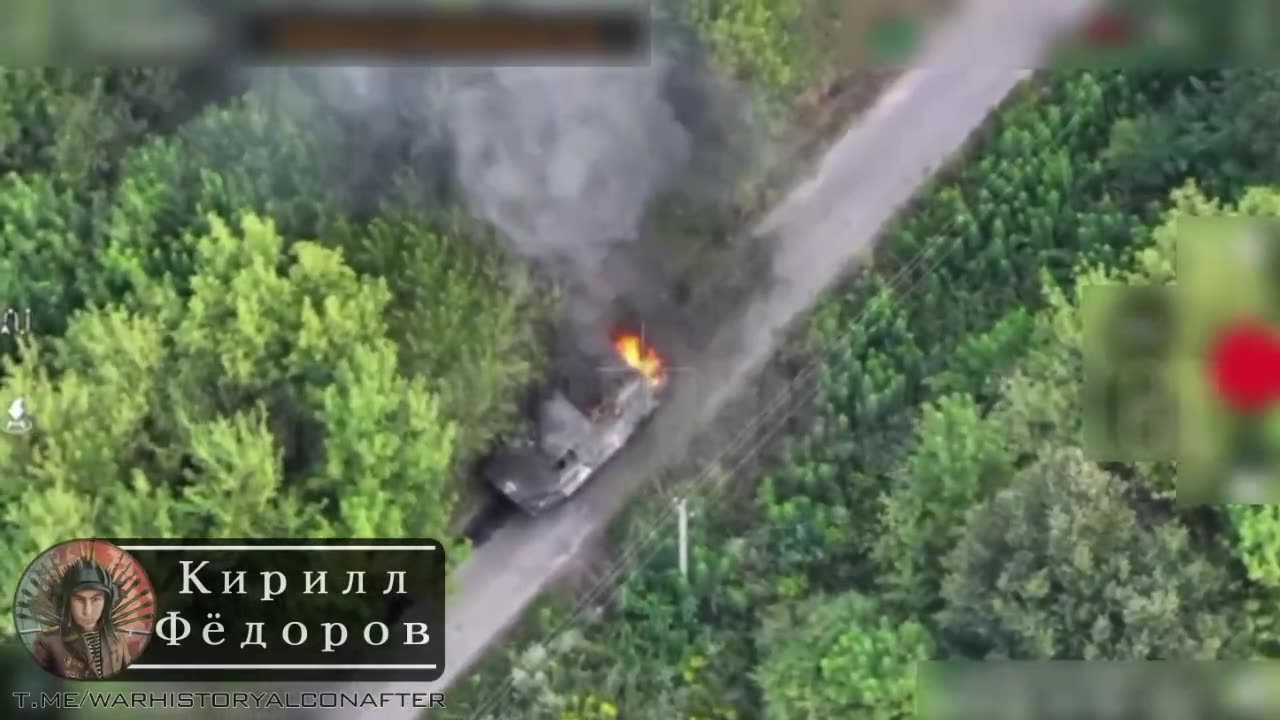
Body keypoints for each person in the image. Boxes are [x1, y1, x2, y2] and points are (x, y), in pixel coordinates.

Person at [32, 559, 133, 680]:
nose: (87, 611)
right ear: (66, 603)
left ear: (107, 603)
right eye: (79, 600)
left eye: (96, 599)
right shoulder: (48, 642)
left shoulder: (118, 640)